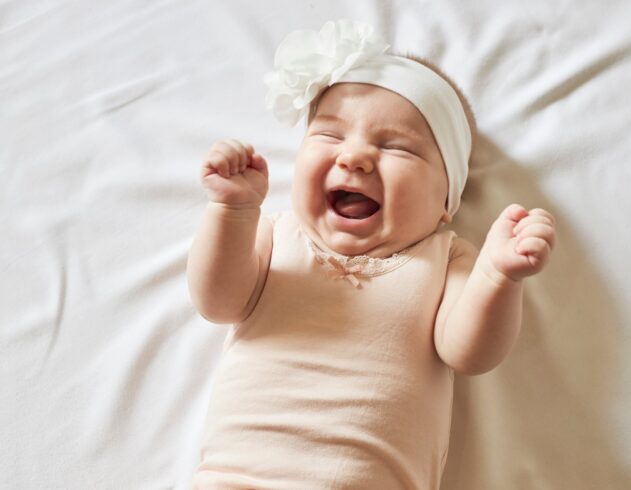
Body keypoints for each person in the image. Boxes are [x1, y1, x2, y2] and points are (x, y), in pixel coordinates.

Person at [187, 19, 556, 489]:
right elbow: (218, 302)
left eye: (395, 146)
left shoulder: (446, 261)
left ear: (447, 201)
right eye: (331, 136)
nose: (354, 157)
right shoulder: (276, 234)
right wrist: (232, 211)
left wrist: (499, 277)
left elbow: (469, 351)